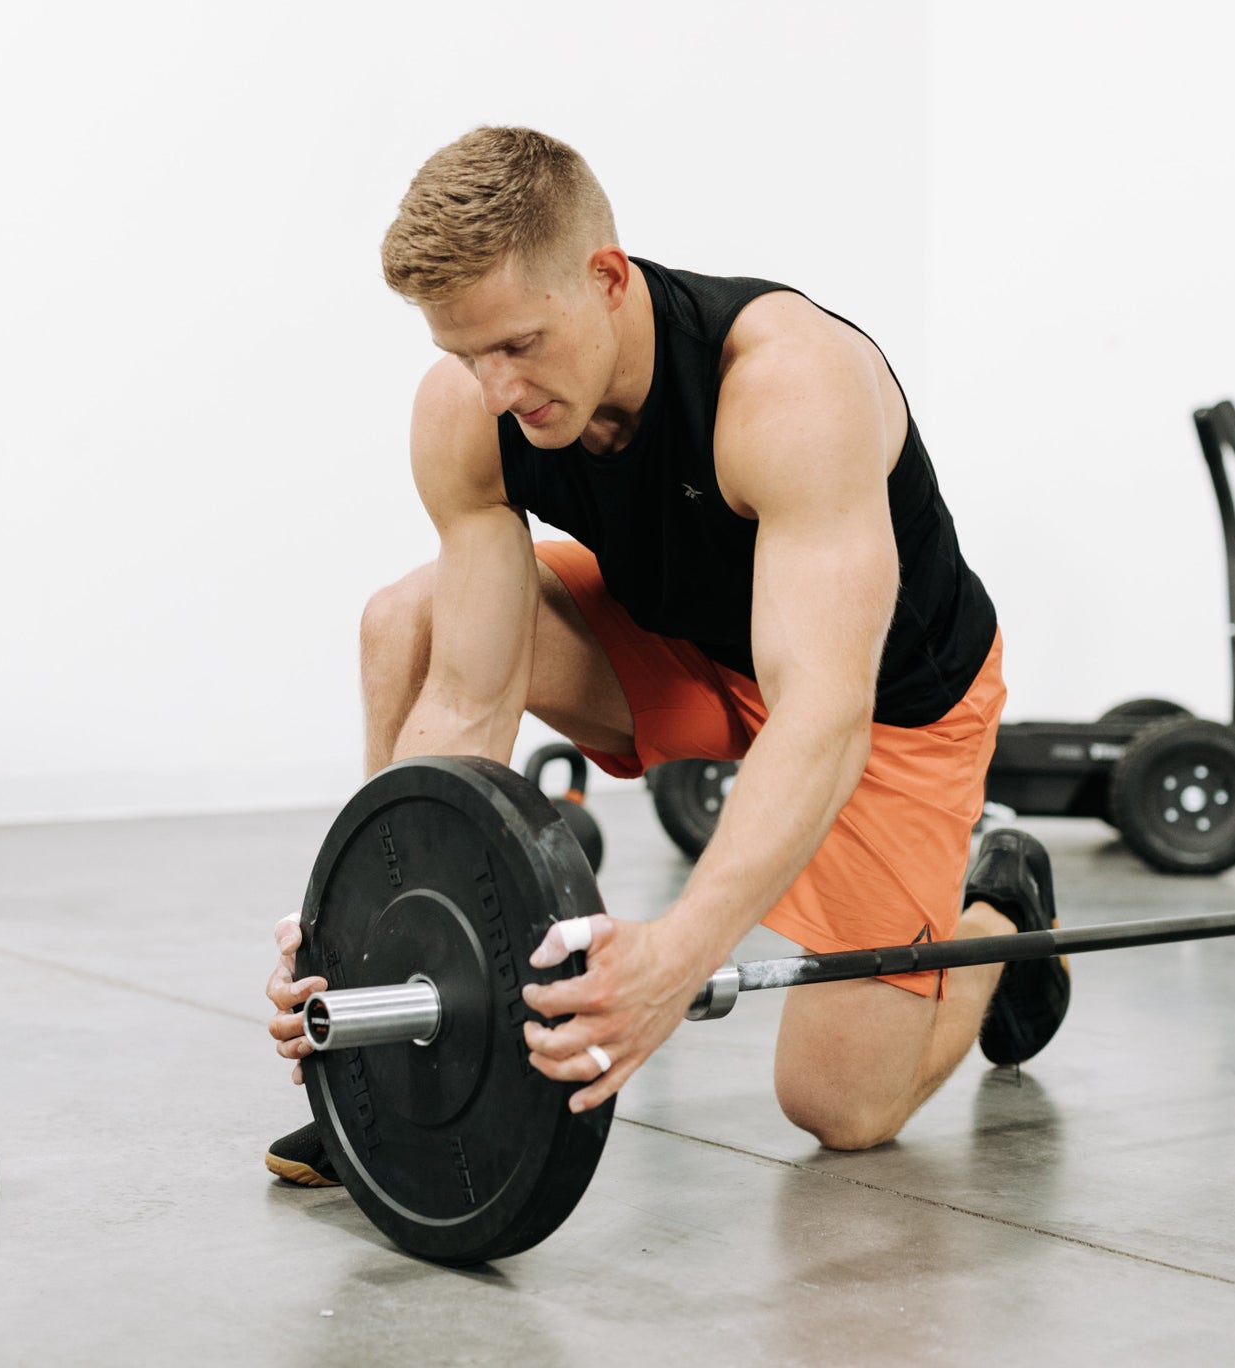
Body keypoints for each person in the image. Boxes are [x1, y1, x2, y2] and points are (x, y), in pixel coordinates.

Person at [263, 126, 1068, 1187]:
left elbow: (824, 713)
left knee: (841, 1109)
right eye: (463, 353)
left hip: (882, 704)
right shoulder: (469, 409)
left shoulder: (788, 386)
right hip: (683, 646)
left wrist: (678, 954)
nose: (495, 386)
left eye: (517, 345)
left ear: (606, 278)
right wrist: (371, 945)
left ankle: (1000, 908)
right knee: (406, 623)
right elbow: (466, 696)